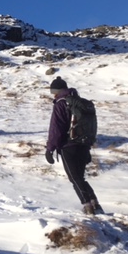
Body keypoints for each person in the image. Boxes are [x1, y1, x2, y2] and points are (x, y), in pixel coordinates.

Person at [45, 76, 104, 215]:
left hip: (68, 146)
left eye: (53, 91)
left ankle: (88, 206)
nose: (53, 94)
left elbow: (56, 128)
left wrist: (50, 148)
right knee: (80, 177)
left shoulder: (60, 103)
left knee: (75, 178)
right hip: (84, 144)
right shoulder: (80, 102)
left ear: (57, 91)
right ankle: (96, 204)